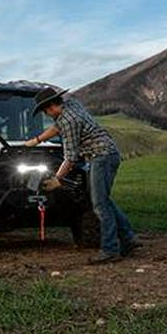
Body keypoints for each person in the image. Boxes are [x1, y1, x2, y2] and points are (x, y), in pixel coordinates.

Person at [25, 87, 141, 263]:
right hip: (109, 153)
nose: (46, 115)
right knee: (104, 200)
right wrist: (37, 140)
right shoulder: (71, 104)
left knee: (100, 205)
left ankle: (110, 250)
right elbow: (57, 127)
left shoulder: (69, 122)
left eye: (45, 111)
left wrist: (58, 179)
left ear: (50, 107)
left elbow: (70, 158)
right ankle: (129, 238)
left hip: (100, 157)